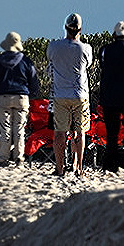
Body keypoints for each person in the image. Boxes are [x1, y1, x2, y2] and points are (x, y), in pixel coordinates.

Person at [46, 13, 93, 177]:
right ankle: (79, 168)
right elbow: (88, 64)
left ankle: (59, 169)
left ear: (65, 28)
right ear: (80, 29)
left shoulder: (54, 47)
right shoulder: (86, 48)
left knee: (59, 132)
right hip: (80, 94)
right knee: (80, 132)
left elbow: (51, 60)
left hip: (60, 95)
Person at [0, 32, 40, 167]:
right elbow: (34, 81)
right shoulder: (26, 61)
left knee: (5, 129)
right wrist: (31, 95)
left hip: (3, 97)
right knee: (19, 129)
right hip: (21, 97)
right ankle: (19, 158)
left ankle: (3, 159)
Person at [97, 21, 124, 173]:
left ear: (114, 35)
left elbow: (102, 66)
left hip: (110, 97)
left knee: (111, 133)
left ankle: (110, 165)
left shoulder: (105, 49)